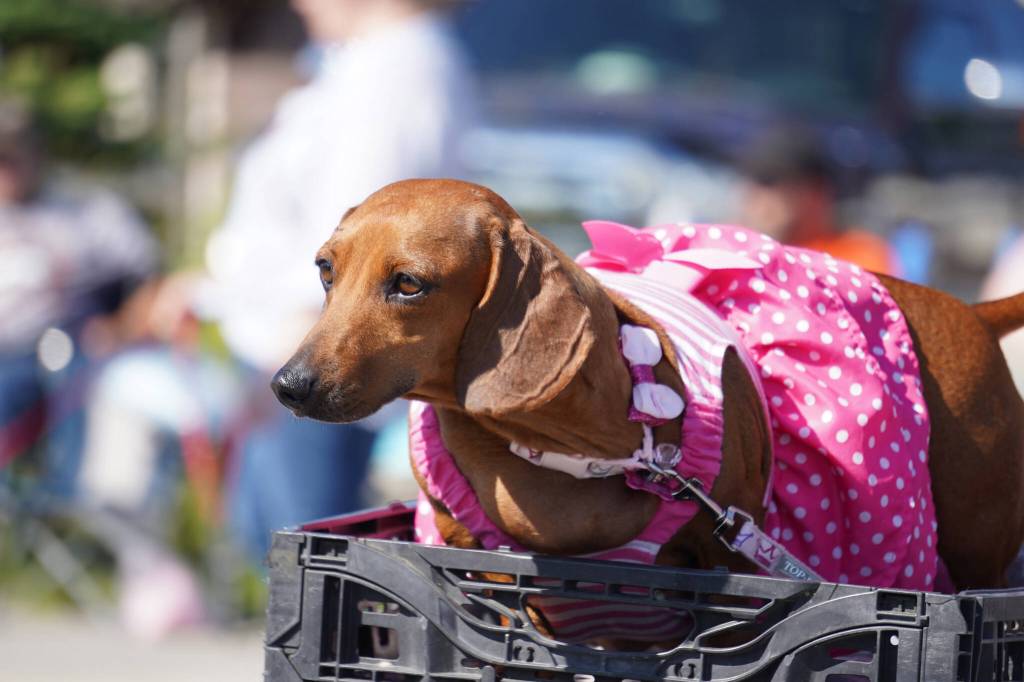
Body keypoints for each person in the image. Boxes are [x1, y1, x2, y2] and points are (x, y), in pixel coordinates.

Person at [80, 0, 477, 597]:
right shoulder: (370, 62)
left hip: (314, 343)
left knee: (312, 576)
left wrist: (290, 333)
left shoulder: (396, 67)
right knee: (293, 563)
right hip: (290, 338)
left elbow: (359, 240)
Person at [739, 127, 901, 275]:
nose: (761, 197)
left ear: (818, 192)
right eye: (757, 181)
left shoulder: (861, 255)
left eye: (771, 182)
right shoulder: (736, 250)